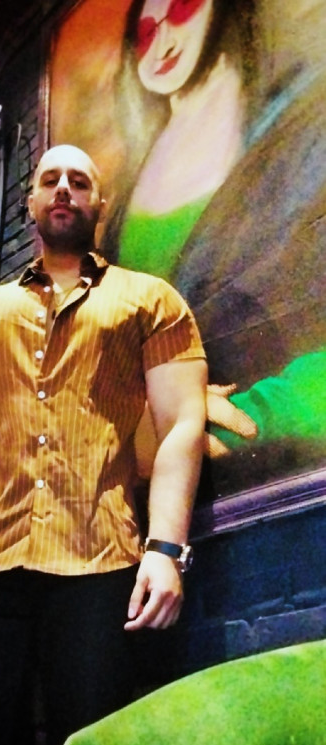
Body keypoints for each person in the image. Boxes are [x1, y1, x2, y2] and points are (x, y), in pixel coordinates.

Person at [0, 144, 207, 745]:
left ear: (100, 205)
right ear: (30, 201)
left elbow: (180, 426)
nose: (63, 189)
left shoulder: (151, 299)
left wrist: (165, 550)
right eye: (50, 179)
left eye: (79, 181)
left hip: (100, 562)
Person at [101, 0, 326, 493]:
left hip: (270, 490)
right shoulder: (121, 203)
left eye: (182, 9)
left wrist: (258, 413)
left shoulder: (302, 125)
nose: (162, 42)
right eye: (146, 31)